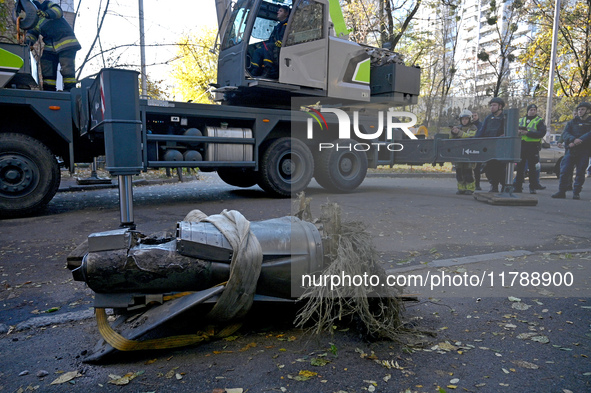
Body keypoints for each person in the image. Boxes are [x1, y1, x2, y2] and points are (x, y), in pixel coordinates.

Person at [24, 1, 81, 92]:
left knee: (66, 67)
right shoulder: (34, 21)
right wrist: (26, 43)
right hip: (50, 46)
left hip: (66, 42)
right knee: (46, 63)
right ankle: (49, 90)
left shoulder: (46, 5)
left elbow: (58, 11)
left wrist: (46, 13)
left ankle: (69, 89)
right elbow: (31, 35)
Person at [551, 102, 591, 200]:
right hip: (571, 150)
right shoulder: (572, 122)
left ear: (588, 111)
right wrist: (573, 139)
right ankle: (561, 191)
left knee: (580, 172)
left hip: (584, 151)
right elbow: (565, 133)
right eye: (579, 109)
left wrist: (579, 141)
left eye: (582, 109)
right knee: (564, 171)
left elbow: (589, 135)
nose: (580, 111)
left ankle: (576, 192)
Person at [248, 6, 290, 78]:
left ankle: (268, 70)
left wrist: (282, 42)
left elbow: (290, 38)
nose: (278, 12)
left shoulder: (288, 25)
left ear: (286, 14)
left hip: (284, 47)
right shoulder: (278, 26)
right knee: (259, 50)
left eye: (280, 11)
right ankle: (254, 71)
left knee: (268, 47)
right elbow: (271, 39)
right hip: (275, 45)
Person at [513, 104, 547, 194]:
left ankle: (532, 187)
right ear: (527, 111)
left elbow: (541, 133)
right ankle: (518, 187)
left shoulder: (539, 121)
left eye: (534, 110)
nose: (532, 111)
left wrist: (527, 133)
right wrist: (518, 132)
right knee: (520, 168)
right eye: (531, 110)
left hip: (533, 146)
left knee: (533, 168)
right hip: (522, 146)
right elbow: (514, 130)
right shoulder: (521, 120)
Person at [475, 97, 506, 192]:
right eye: (491, 105)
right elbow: (482, 131)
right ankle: (494, 185)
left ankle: (504, 186)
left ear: (500, 106)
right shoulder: (488, 118)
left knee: (501, 169)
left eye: (494, 105)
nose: (492, 107)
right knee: (489, 168)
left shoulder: (505, 117)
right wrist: (475, 140)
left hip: (501, 148)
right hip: (489, 147)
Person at [451, 110, 478, 194]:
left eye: (466, 119)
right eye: (463, 119)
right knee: (459, 171)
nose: (464, 121)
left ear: (470, 119)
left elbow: (470, 137)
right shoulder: (457, 128)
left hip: (469, 153)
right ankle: (461, 188)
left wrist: (458, 133)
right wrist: (452, 132)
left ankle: (470, 189)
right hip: (458, 153)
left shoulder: (473, 128)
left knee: (468, 171)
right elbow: (451, 139)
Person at [471, 112, 483, 190]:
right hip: (470, 146)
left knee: (477, 168)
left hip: (478, 147)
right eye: (472, 116)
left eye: (475, 115)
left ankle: (477, 184)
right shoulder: (468, 125)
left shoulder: (481, 125)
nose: (474, 117)